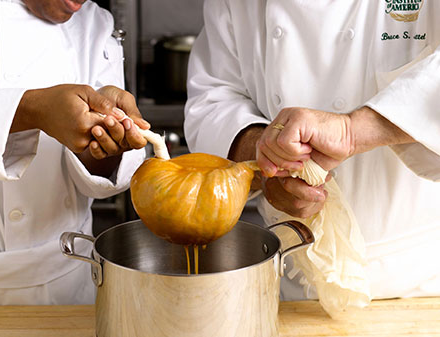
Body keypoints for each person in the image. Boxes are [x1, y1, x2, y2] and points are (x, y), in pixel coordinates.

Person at [185, 0, 440, 301]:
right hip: (293, 276)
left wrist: (352, 131)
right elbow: (215, 98)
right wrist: (266, 157)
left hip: (420, 283)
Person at [0, 0, 149, 305]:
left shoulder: (96, 23)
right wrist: (32, 111)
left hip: (68, 281)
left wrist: (104, 140)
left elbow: (94, 174)